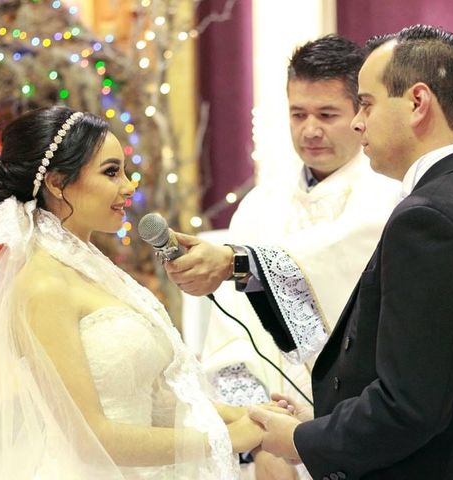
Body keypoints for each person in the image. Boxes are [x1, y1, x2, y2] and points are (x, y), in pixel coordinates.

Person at [244, 24, 453, 480]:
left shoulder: (428, 217)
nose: (359, 121)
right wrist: (322, 422)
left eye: (366, 103)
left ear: (418, 103)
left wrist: (301, 441)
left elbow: (409, 406)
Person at [0, 106, 266, 480]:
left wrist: (248, 415)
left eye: (125, 170)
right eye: (111, 172)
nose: (129, 186)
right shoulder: (44, 284)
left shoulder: (94, 270)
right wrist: (225, 438)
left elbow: (152, 399)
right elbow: (90, 438)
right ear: (56, 183)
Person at [167, 35, 400, 478]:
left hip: (358, 435)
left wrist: (239, 261)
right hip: (267, 445)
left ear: (360, 113)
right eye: (298, 114)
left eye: (327, 114)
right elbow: (230, 337)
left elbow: (340, 262)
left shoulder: (388, 196)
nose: (310, 129)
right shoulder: (259, 206)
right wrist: (261, 441)